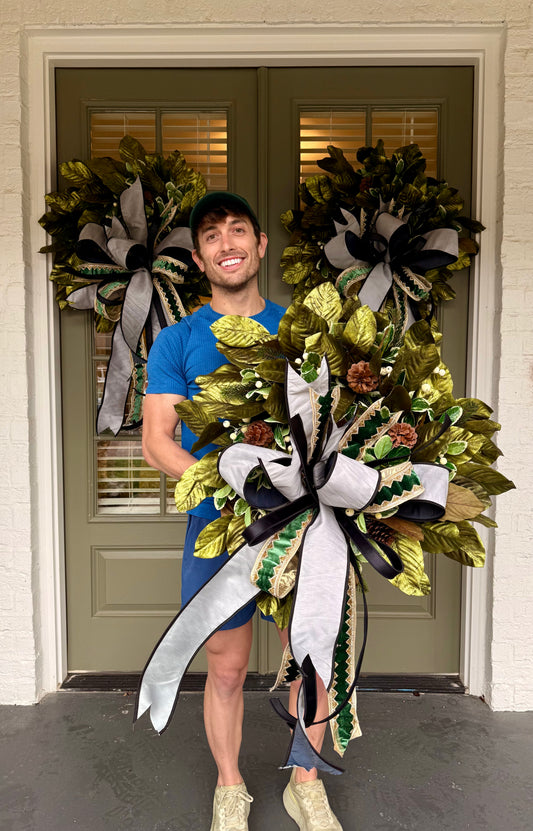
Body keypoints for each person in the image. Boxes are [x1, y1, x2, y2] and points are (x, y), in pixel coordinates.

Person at [142, 192, 343, 831]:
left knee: (311, 657)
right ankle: (231, 786)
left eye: (237, 230)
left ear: (260, 245)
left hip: (301, 530)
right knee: (225, 667)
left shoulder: (298, 333)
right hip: (218, 530)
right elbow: (156, 442)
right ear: (200, 259)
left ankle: (305, 784)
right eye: (211, 236)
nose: (226, 243)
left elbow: (336, 428)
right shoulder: (177, 340)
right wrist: (225, 490)